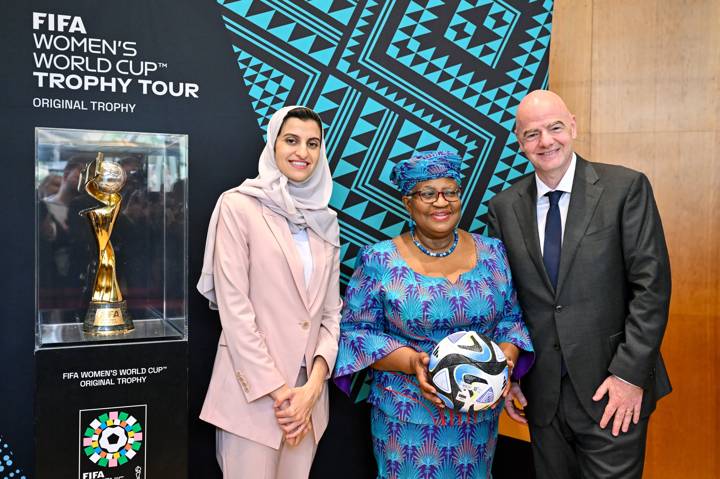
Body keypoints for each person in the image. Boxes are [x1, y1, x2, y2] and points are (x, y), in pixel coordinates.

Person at [487, 90, 671, 479]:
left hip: (612, 390)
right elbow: (508, 302)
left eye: (554, 127)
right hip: (542, 395)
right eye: (532, 134)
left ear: (573, 125)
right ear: (520, 143)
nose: (546, 141)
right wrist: (514, 374)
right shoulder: (504, 208)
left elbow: (650, 289)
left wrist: (628, 376)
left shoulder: (625, 188)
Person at [335, 151, 533, 478]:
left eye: (450, 192)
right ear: (408, 202)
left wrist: (505, 360)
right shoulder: (378, 260)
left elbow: (512, 321)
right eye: (427, 193)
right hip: (407, 416)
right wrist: (413, 362)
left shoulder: (493, 252)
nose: (441, 202)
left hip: (476, 418)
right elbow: (358, 335)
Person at [198, 106, 342, 479]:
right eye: (291, 140)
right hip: (255, 395)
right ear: (273, 145)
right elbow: (234, 308)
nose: (303, 153)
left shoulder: (326, 219)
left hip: (308, 399)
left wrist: (311, 388)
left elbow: (330, 313)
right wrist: (282, 394)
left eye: (313, 143)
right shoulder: (238, 205)